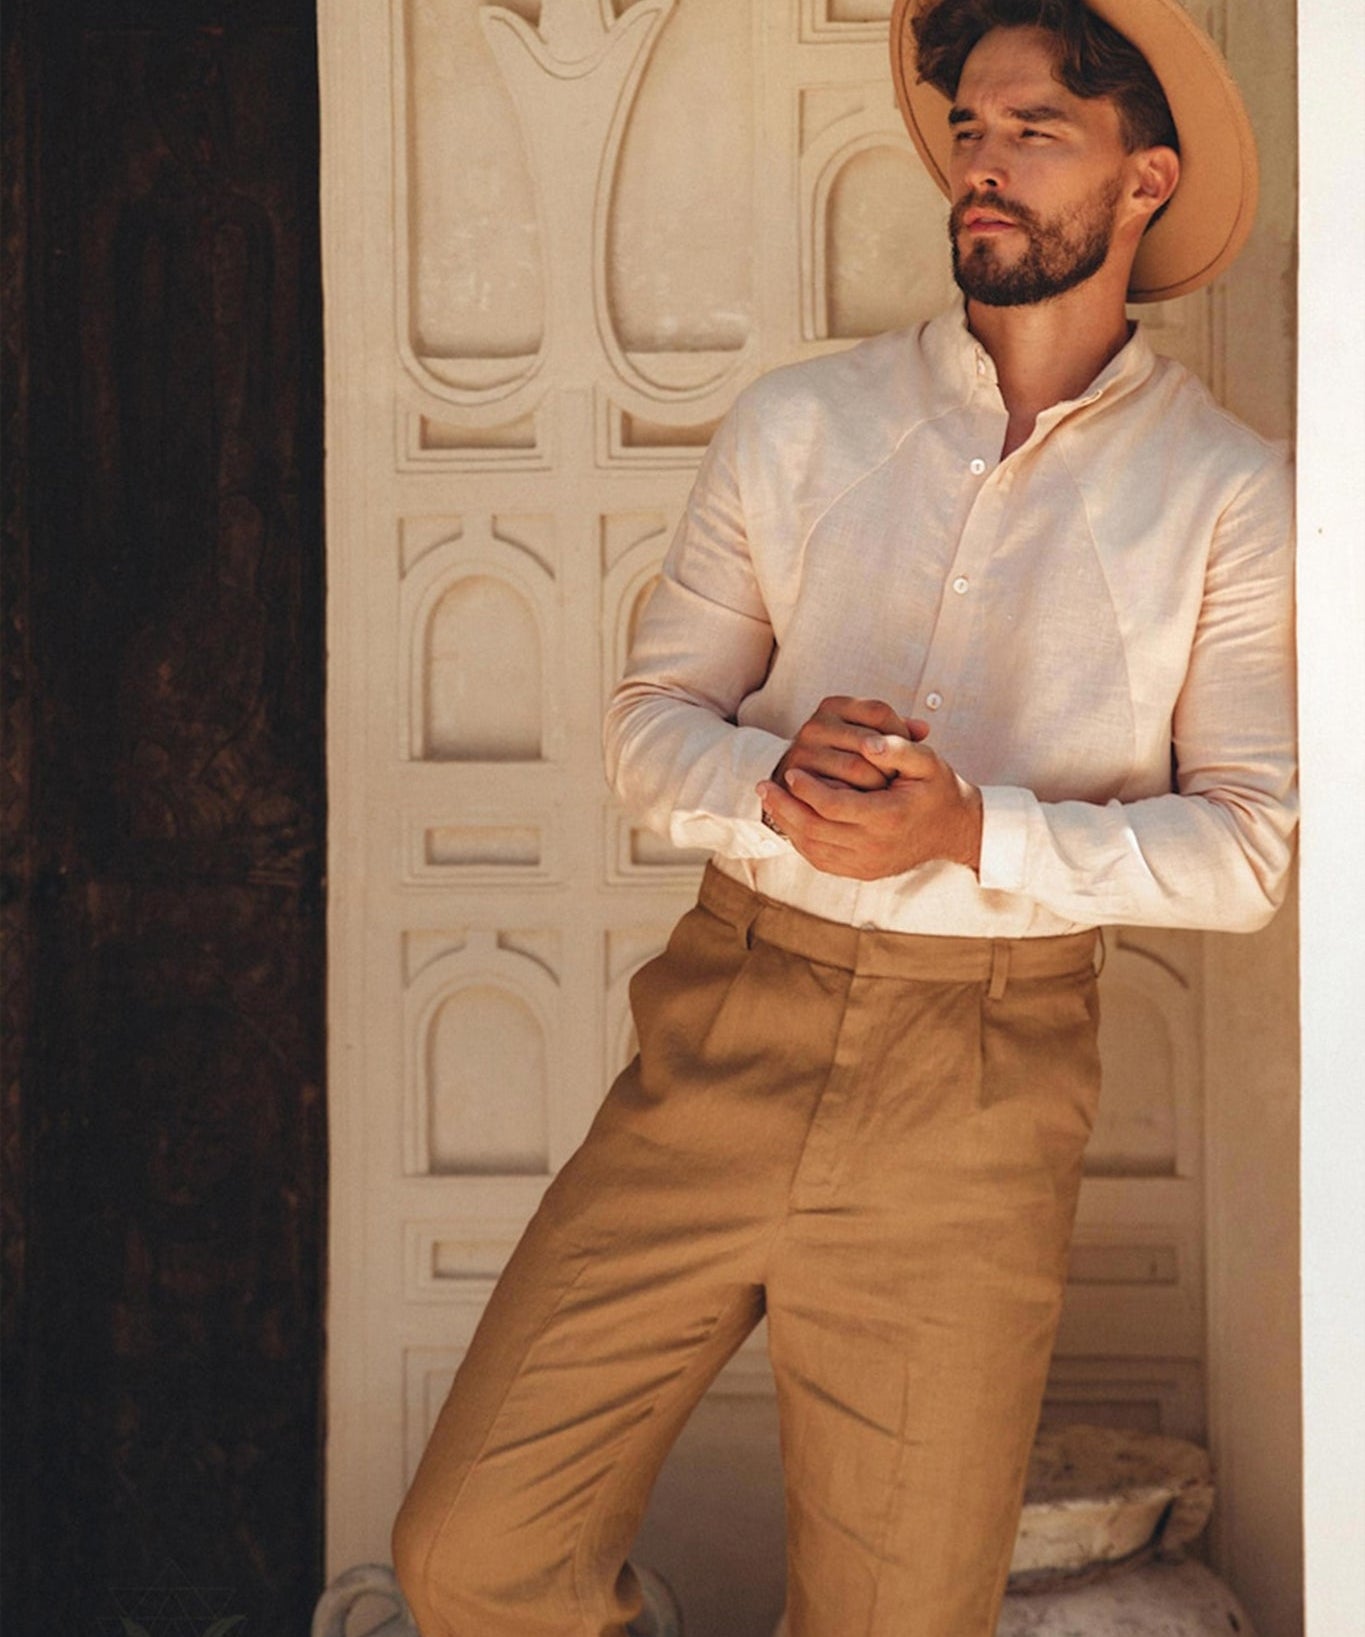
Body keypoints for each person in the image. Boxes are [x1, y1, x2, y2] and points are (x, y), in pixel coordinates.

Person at [391, 1, 1296, 1632]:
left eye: (1034, 132)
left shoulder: (1229, 494)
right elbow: (648, 725)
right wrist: (773, 785)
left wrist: (967, 835)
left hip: (979, 1094)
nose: (982, 164)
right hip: (725, 1021)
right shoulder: (799, 424)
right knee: (470, 1550)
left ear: (1143, 178)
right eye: (968, 130)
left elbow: (1244, 850)